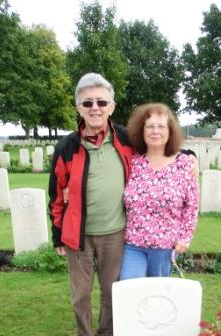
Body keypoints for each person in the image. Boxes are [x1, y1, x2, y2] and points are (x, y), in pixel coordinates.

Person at [48, 73, 198, 336]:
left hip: (116, 234)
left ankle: (108, 332)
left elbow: (158, 144)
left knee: (113, 292)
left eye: (102, 102)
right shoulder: (66, 147)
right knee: (80, 295)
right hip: (77, 236)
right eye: (88, 103)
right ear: (79, 108)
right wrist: (57, 235)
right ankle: (84, 333)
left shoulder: (125, 139)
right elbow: (56, 195)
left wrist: (188, 154)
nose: (95, 108)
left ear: (112, 107)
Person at [119, 103, 199, 280]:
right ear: (142, 130)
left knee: (157, 297)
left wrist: (185, 237)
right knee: (129, 289)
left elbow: (191, 206)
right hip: (133, 244)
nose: (155, 131)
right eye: (150, 126)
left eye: (161, 126)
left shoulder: (184, 164)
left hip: (166, 246)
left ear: (170, 131)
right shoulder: (132, 162)